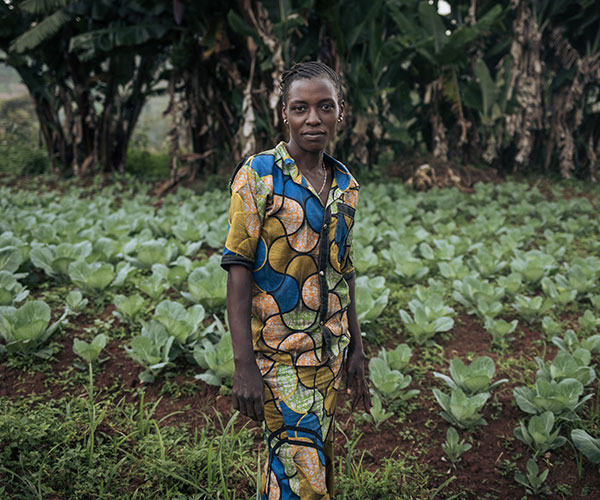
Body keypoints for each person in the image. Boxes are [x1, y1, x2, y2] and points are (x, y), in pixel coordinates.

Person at [221, 61, 370, 499]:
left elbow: (344, 272)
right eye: (300, 108)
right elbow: (238, 269)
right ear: (283, 113)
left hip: (329, 352)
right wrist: (243, 364)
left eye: (325, 107)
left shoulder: (345, 184)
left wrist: (357, 348)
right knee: (301, 475)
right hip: (278, 355)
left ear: (340, 112)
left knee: (308, 462)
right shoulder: (258, 175)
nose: (313, 119)